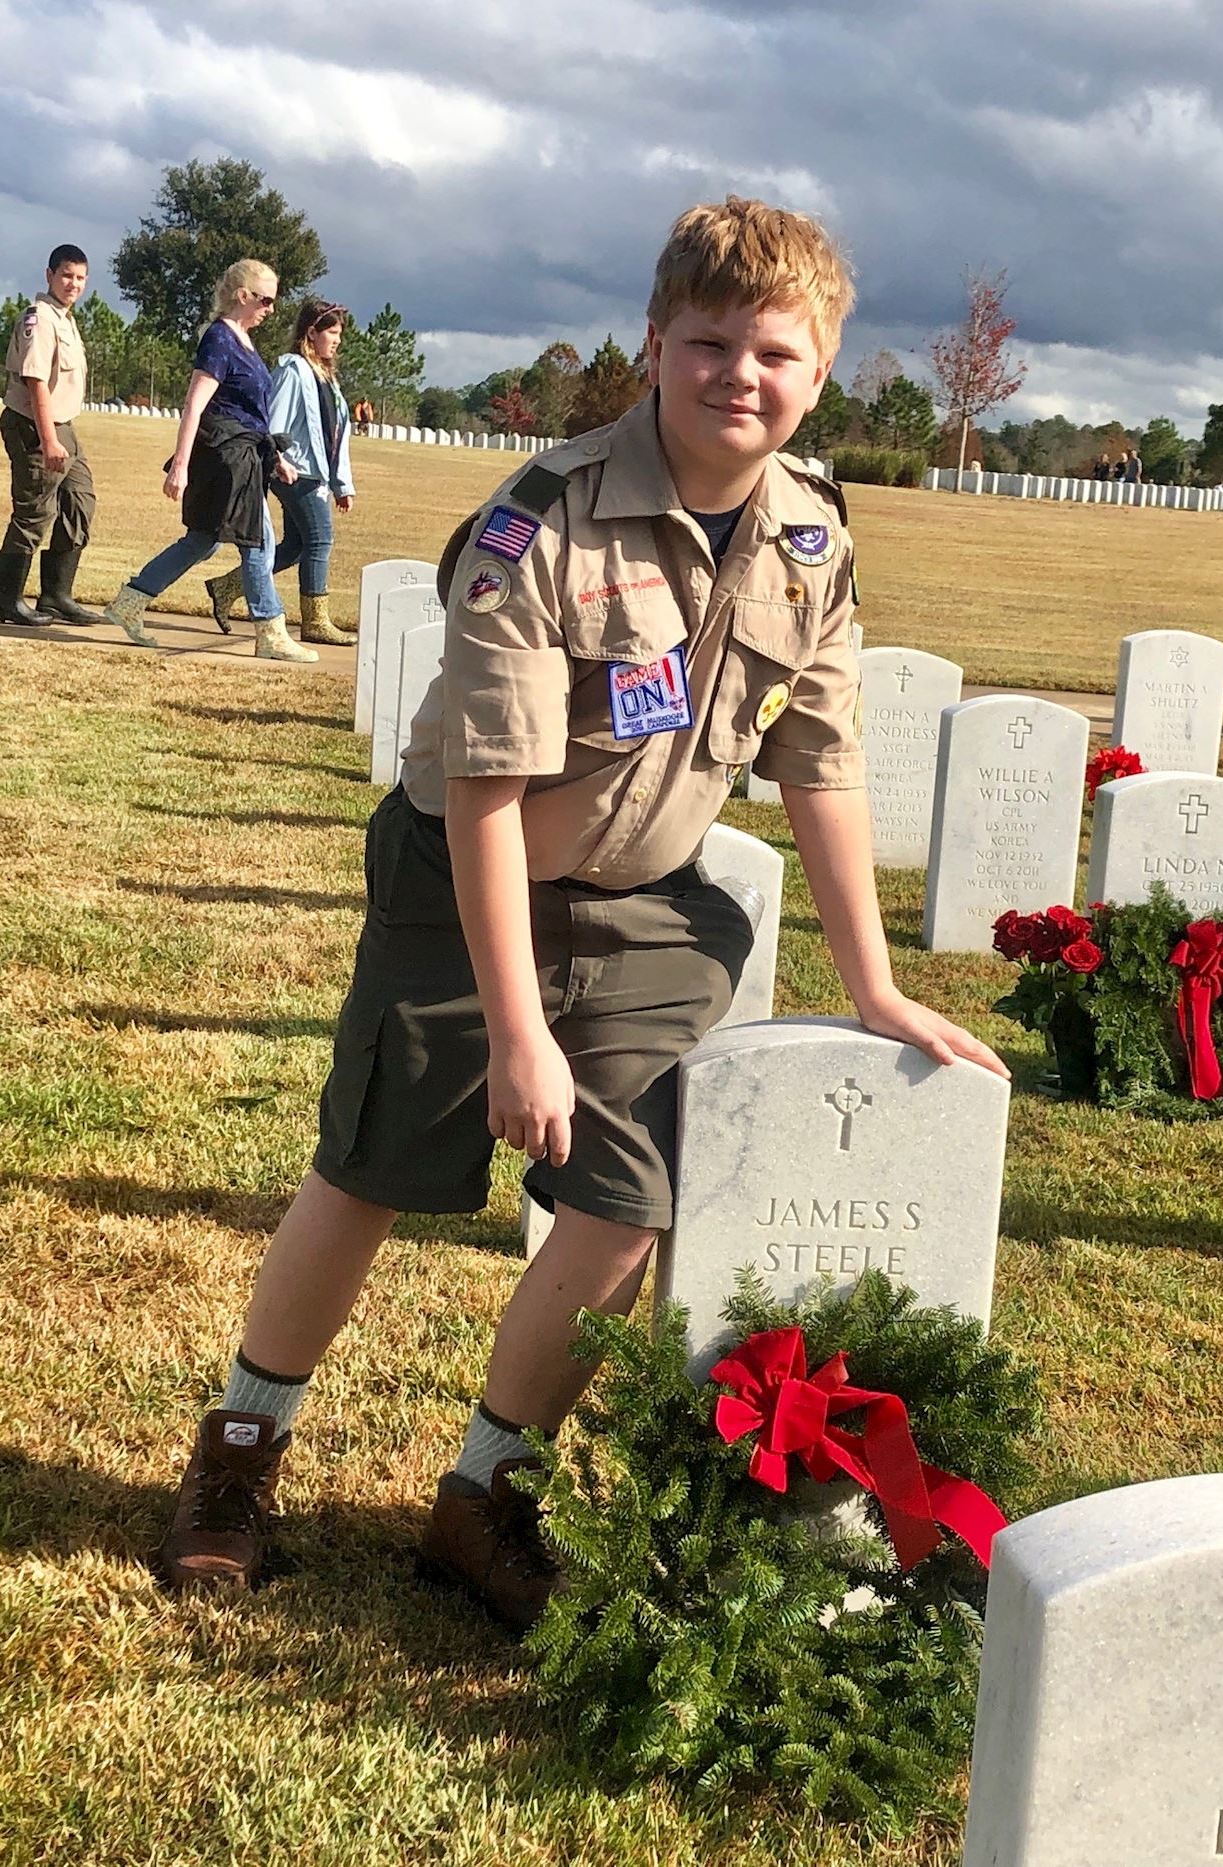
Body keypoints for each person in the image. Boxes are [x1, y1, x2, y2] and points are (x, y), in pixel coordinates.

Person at [155, 195, 1008, 1629]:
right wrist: (515, 1032)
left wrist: (873, 981)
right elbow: (487, 791)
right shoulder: (539, 521)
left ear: (822, 372)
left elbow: (823, 763)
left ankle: (485, 1494)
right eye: (712, 342)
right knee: (371, 1164)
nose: (743, 374)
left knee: (634, 1198)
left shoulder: (813, 543)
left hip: (653, 902)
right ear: (655, 346)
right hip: (462, 878)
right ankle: (239, 1448)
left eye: (778, 353)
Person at [102, 259, 316, 662]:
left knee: (203, 541)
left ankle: (130, 602)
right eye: (266, 299)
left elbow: (251, 414)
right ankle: (270, 630)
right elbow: (195, 404)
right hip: (225, 458)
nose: (271, 309)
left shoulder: (244, 341)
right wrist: (180, 465)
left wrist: (274, 459)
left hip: (246, 455)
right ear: (243, 296)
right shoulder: (220, 340)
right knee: (258, 541)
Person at [205, 301, 357, 646]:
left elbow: (336, 436)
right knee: (320, 540)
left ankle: (227, 587)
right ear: (311, 333)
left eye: (339, 334)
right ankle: (315, 621)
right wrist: (277, 460)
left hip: (313, 474)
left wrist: (342, 484)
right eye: (331, 333)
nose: (337, 341)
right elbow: (274, 424)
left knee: (296, 546)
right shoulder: (293, 371)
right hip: (293, 472)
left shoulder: (326, 377)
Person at [0, 243, 101, 627]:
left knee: (80, 504)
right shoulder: (39, 318)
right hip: (34, 426)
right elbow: (35, 381)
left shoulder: (65, 319)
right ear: (49, 274)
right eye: (67, 275)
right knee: (36, 509)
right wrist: (49, 438)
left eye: (80, 278)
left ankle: (55, 594)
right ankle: (5, 600)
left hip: (63, 425)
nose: (73, 284)